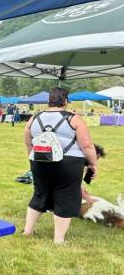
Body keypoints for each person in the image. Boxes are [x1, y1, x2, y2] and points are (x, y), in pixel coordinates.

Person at [22, 87, 98, 244]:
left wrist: (32, 161)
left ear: (49, 100)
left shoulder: (33, 118)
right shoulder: (74, 119)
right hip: (68, 163)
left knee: (40, 194)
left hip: (39, 161)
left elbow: (28, 143)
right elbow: (87, 146)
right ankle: (59, 239)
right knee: (66, 196)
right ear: (65, 101)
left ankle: (27, 231)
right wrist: (93, 164)